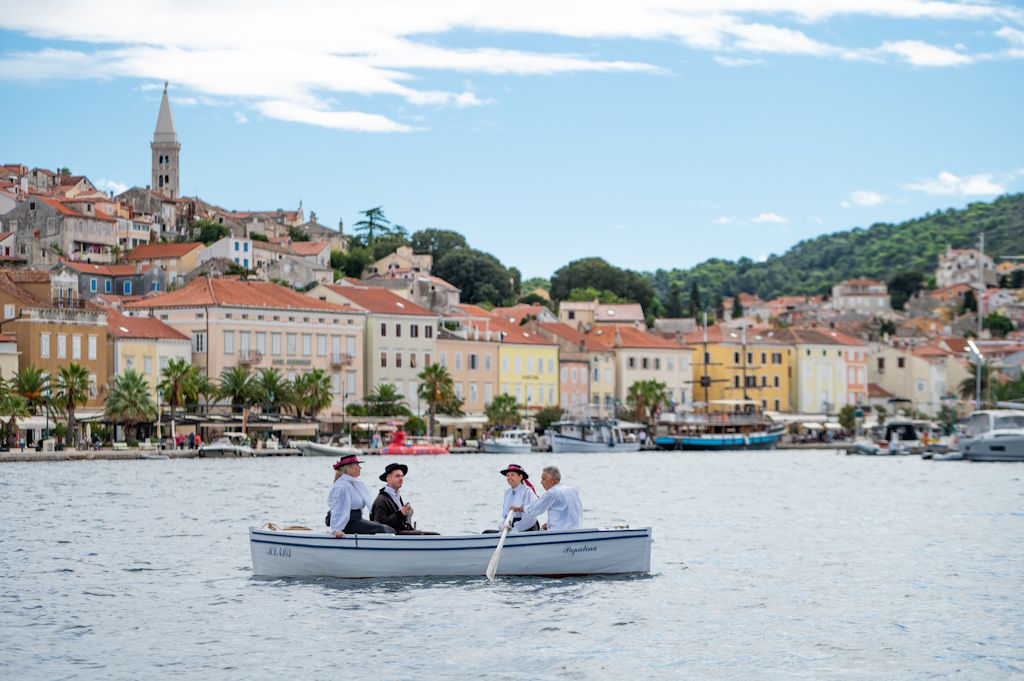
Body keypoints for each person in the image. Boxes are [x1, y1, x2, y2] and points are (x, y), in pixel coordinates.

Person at [327, 454, 396, 537]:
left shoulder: (355, 484)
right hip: (347, 523)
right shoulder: (341, 486)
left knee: (389, 528)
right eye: (357, 465)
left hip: (357, 520)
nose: (360, 468)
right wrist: (336, 530)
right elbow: (337, 508)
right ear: (348, 469)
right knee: (382, 529)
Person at [370, 463, 439, 535]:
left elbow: (397, 520)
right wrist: (401, 514)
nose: (401, 479)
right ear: (388, 479)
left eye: (402, 476)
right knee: (432, 535)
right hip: (394, 537)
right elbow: (380, 525)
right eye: (397, 476)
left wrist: (406, 515)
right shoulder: (381, 500)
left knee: (434, 534)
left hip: (399, 534)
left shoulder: (396, 497)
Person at [513, 466, 582, 532]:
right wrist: (549, 525)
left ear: (552, 480)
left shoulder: (552, 492)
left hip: (560, 533)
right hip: (576, 530)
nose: (541, 482)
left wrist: (520, 508)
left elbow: (534, 509)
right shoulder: (573, 490)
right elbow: (568, 513)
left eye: (544, 479)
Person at [492, 464, 539, 532]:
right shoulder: (507, 492)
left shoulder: (527, 491)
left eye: (512, 475)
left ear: (520, 477)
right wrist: (502, 527)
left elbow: (529, 518)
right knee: (486, 533)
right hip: (510, 526)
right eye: (508, 475)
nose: (509, 477)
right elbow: (505, 515)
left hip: (527, 527)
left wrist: (514, 530)